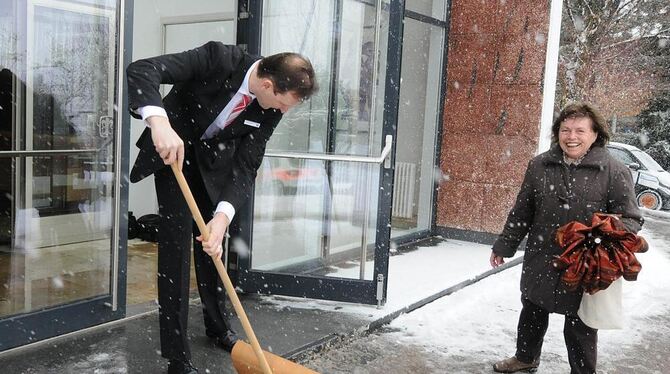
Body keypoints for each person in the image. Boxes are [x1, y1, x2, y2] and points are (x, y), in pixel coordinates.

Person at [126, 41, 317, 374]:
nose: (282, 111)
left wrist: (222, 216)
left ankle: (218, 328)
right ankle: (177, 356)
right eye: (283, 103)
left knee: (213, 246)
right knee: (176, 249)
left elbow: (247, 164)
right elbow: (143, 69)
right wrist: (159, 122)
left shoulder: (269, 109)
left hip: (212, 167)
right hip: (175, 154)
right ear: (269, 86)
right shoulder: (219, 59)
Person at [489, 103, 643, 374]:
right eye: (565, 130)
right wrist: (505, 244)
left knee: (581, 324)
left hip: (585, 261)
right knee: (532, 311)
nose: (571, 136)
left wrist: (602, 232)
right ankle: (525, 358)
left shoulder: (614, 170)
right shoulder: (539, 165)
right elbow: (523, 209)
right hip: (542, 255)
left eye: (580, 130)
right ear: (557, 133)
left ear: (595, 135)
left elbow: (631, 219)